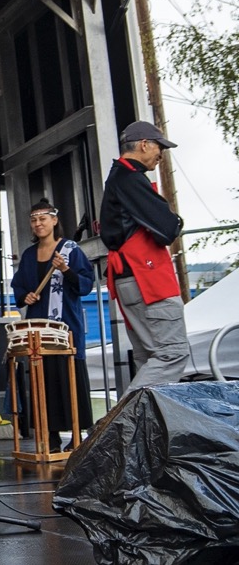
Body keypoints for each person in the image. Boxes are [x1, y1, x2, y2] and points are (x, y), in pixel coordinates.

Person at [99, 121, 189, 391]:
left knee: (149, 357)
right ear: (144, 144)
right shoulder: (130, 178)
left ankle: (137, 417)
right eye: (159, 147)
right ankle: (126, 414)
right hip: (146, 279)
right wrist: (176, 220)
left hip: (129, 279)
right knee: (172, 353)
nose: (161, 154)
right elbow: (167, 228)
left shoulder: (118, 178)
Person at [10, 199, 95, 452]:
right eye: (34, 219)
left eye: (43, 218)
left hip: (66, 326)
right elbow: (18, 285)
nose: (38, 223)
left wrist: (66, 269)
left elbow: (85, 284)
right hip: (39, 328)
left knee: (70, 378)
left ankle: (76, 436)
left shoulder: (70, 250)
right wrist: (25, 296)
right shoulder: (29, 255)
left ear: (54, 220)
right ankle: (51, 437)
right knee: (44, 380)